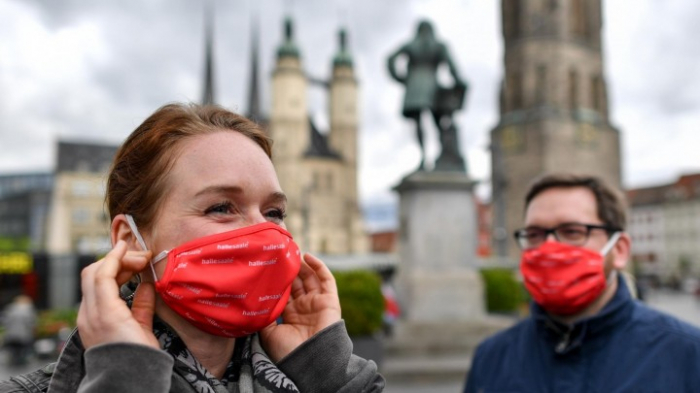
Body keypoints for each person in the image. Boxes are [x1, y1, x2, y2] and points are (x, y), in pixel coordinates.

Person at [0, 103, 384, 393]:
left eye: (274, 211)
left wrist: (327, 372)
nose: (262, 231)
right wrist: (123, 379)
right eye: (221, 207)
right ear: (131, 239)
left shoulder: (317, 376)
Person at [464, 173, 700, 392]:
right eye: (534, 234)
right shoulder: (491, 357)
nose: (549, 248)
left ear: (619, 250)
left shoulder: (687, 354)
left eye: (572, 232)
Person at [387, 20, 467, 171]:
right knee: (438, 123)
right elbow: (452, 67)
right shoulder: (438, 45)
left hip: (415, 87)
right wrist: (458, 81)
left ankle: (423, 157)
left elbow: (390, 60)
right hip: (433, 87)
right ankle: (442, 154)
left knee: (419, 123)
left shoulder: (411, 45)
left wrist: (401, 78)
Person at [1, 295, 37, 367]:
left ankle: (14, 361)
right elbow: (31, 323)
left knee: (13, 350)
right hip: (23, 334)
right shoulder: (28, 309)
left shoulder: (10, 308)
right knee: (23, 350)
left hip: (11, 334)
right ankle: (21, 362)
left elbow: (4, 321)